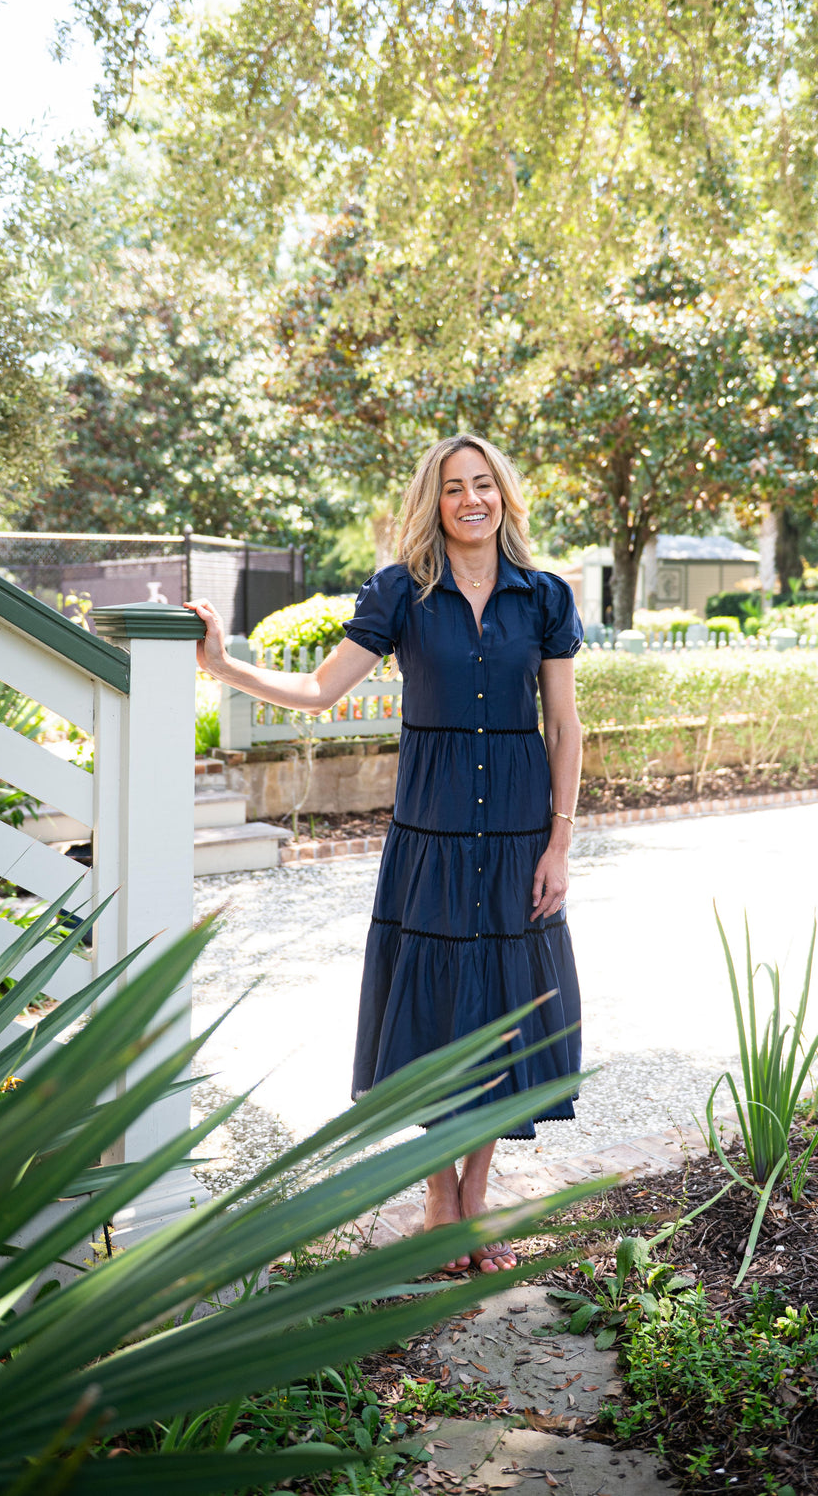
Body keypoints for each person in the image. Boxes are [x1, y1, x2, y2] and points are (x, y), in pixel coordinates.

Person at [186, 434, 584, 1273]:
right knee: (436, 1006)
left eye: (484, 484)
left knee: (501, 1002)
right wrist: (224, 666)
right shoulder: (402, 591)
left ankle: (475, 1197)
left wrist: (559, 840)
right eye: (454, 487)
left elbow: (564, 723)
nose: (471, 499)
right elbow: (319, 689)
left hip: (518, 835)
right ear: (433, 502)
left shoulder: (544, 596)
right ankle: (439, 1197)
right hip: (431, 833)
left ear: (504, 495)